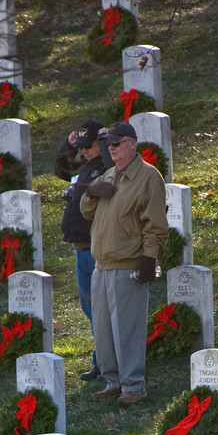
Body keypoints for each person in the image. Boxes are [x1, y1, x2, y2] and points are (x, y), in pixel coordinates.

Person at [80, 121, 168, 406]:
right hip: (102, 263)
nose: (111, 149)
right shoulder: (108, 174)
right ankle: (113, 381)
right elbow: (85, 208)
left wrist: (149, 259)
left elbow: (156, 225)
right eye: (108, 144)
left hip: (129, 263)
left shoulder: (148, 177)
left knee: (127, 329)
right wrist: (92, 192)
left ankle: (134, 385)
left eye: (116, 143)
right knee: (104, 331)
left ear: (132, 143)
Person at [53, 119, 113, 382]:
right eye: (81, 147)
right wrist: (68, 145)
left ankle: (106, 363)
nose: (85, 151)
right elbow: (61, 169)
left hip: (97, 248)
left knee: (101, 310)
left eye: (89, 146)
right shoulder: (86, 167)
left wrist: (103, 141)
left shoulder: (108, 167)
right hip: (81, 249)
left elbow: (113, 167)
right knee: (91, 310)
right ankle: (101, 361)